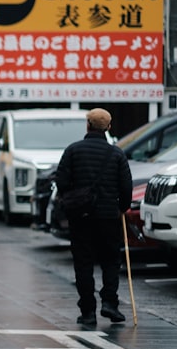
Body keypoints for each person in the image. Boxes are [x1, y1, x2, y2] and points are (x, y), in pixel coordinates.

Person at [55, 107, 132, 326]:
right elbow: (126, 187)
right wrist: (122, 208)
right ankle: (110, 303)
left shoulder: (73, 151)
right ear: (109, 127)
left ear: (87, 125)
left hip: (80, 216)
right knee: (110, 260)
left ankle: (88, 311)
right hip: (108, 216)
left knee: (83, 263)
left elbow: (61, 182)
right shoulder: (117, 154)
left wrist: (71, 200)